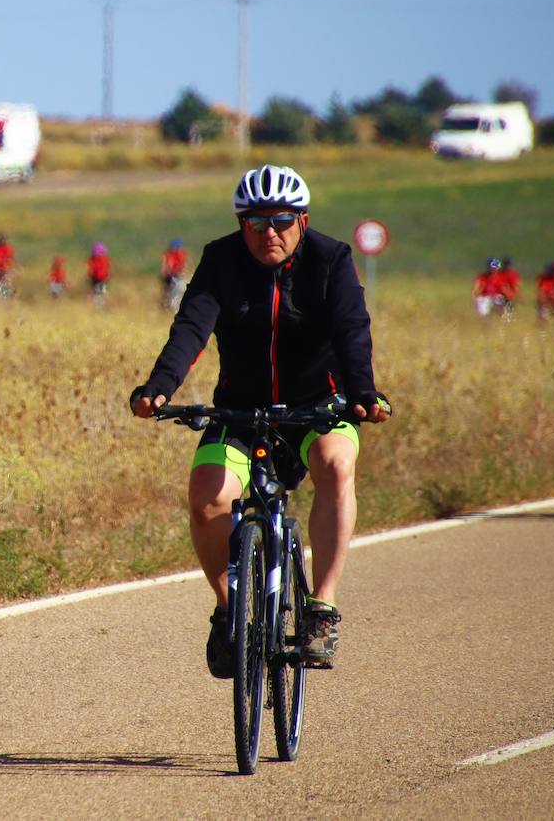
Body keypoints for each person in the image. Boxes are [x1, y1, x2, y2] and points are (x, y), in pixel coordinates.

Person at [130, 164, 391, 676]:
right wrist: (159, 388)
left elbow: (351, 329)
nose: (268, 232)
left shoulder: (331, 259)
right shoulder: (221, 260)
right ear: (240, 224)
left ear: (303, 220)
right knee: (207, 497)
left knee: (336, 464)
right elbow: (191, 328)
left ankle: (322, 608)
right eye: (254, 222)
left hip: (320, 406)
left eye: (280, 220)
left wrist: (363, 393)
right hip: (240, 410)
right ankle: (230, 610)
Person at [161, 238, 189, 310]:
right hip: (171, 275)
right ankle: (169, 306)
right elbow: (165, 266)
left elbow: (184, 266)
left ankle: (172, 306)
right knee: (169, 291)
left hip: (177, 275)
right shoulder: (168, 254)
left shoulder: (181, 254)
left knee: (175, 291)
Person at [87, 241, 111, 307]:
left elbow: (91, 271)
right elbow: (107, 270)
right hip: (101, 280)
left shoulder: (93, 260)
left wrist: (90, 277)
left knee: (98, 293)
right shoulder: (105, 259)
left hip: (98, 280)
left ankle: (100, 306)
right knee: (100, 293)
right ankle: (103, 306)